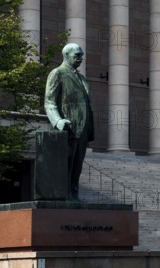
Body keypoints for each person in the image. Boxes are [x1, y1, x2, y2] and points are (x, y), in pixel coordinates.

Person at [44, 43, 94, 201]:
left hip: (82, 130)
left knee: (77, 168)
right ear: (66, 55)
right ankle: (63, 196)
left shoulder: (81, 78)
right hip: (68, 129)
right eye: (77, 55)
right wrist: (58, 121)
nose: (81, 59)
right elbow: (49, 102)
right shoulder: (57, 73)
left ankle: (73, 195)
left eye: (81, 55)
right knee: (65, 167)